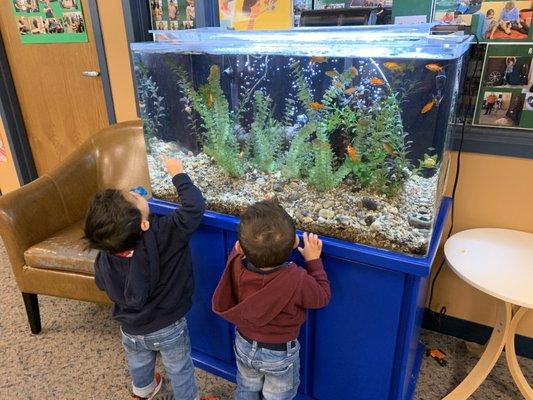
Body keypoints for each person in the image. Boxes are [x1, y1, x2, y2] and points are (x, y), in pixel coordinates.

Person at [84, 158, 205, 400]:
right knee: (179, 368)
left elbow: (101, 283)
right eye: (135, 198)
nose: (134, 193)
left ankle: (143, 392)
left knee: (138, 362)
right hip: (169, 325)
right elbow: (194, 207)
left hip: (130, 327)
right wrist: (178, 174)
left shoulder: (105, 254)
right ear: (144, 224)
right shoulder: (164, 233)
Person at [212, 200, 331, 400]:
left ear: (239, 247)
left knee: (246, 388)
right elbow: (322, 296)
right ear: (295, 243)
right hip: (279, 354)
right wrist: (314, 261)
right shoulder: (297, 279)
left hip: (244, 343)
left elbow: (240, 249)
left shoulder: (236, 265)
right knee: (277, 396)